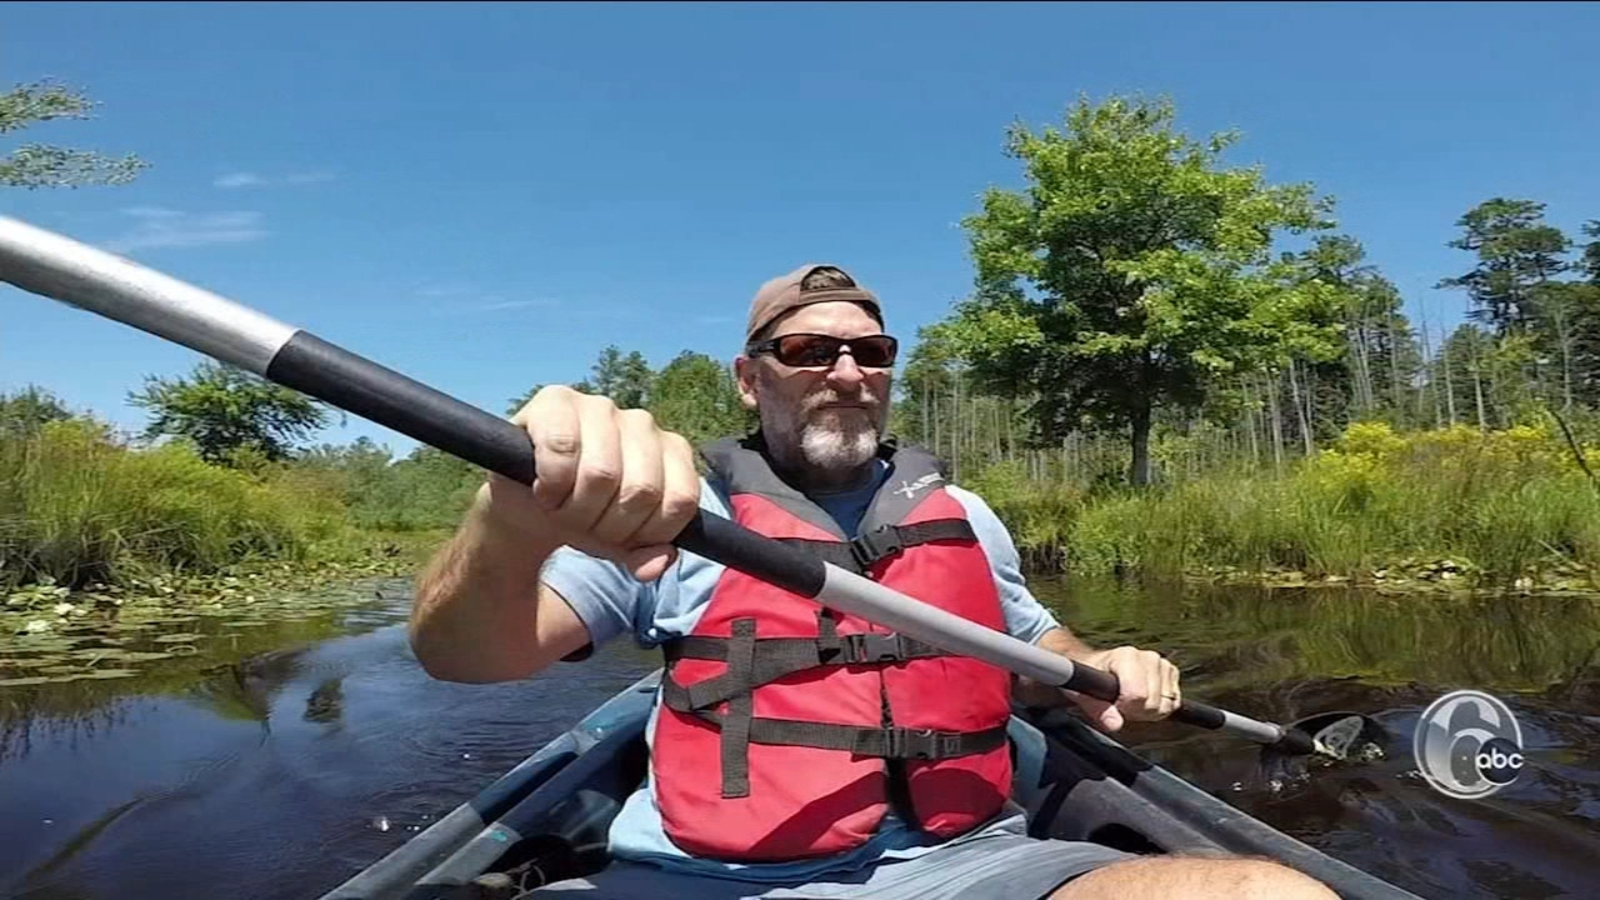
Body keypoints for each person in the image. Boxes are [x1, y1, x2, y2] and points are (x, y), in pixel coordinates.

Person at [409, 264, 1338, 900]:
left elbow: (1035, 646)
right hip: (706, 879)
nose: (848, 373)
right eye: (809, 352)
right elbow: (463, 656)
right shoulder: (676, 510)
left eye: (872, 353)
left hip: (964, 865)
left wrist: (1104, 664)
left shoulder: (961, 513)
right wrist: (509, 525)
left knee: (1272, 893)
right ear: (749, 379)